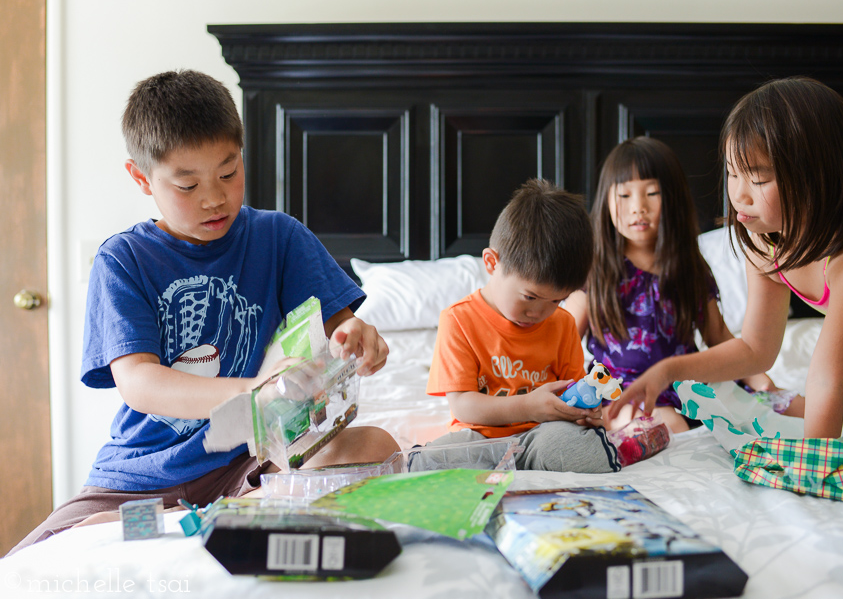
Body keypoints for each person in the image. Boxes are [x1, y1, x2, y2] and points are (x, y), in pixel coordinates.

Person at [8, 70, 399, 555]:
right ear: (141, 177)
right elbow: (140, 383)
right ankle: (186, 520)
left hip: (250, 467)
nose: (214, 198)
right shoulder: (122, 260)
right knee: (52, 548)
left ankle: (214, 516)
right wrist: (251, 393)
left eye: (228, 173)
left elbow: (339, 321)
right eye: (188, 185)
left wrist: (354, 334)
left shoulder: (279, 237)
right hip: (144, 476)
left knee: (376, 447)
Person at [610, 77, 843, 444]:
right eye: (732, 173)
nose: (738, 195)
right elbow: (755, 350)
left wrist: (810, 475)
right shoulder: (764, 242)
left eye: (759, 180)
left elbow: (827, 376)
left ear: (816, 176)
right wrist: (667, 370)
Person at [565, 137, 775, 433]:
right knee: (667, 426)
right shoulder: (594, 269)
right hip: (619, 392)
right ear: (606, 202)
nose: (638, 207)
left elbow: (719, 337)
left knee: (775, 410)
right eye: (624, 196)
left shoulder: (689, 267)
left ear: (673, 198)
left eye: (652, 193)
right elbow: (563, 340)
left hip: (684, 387)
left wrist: (762, 381)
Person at [425, 179, 621, 473]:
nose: (539, 312)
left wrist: (586, 411)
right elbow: (463, 406)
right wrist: (528, 406)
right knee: (440, 458)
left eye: (557, 300)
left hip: (543, 435)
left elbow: (572, 392)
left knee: (583, 445)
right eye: (530, 296)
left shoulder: (563, 324)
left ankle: (532, 464)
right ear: (492, 263)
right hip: (481, 441)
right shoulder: (458, 320)